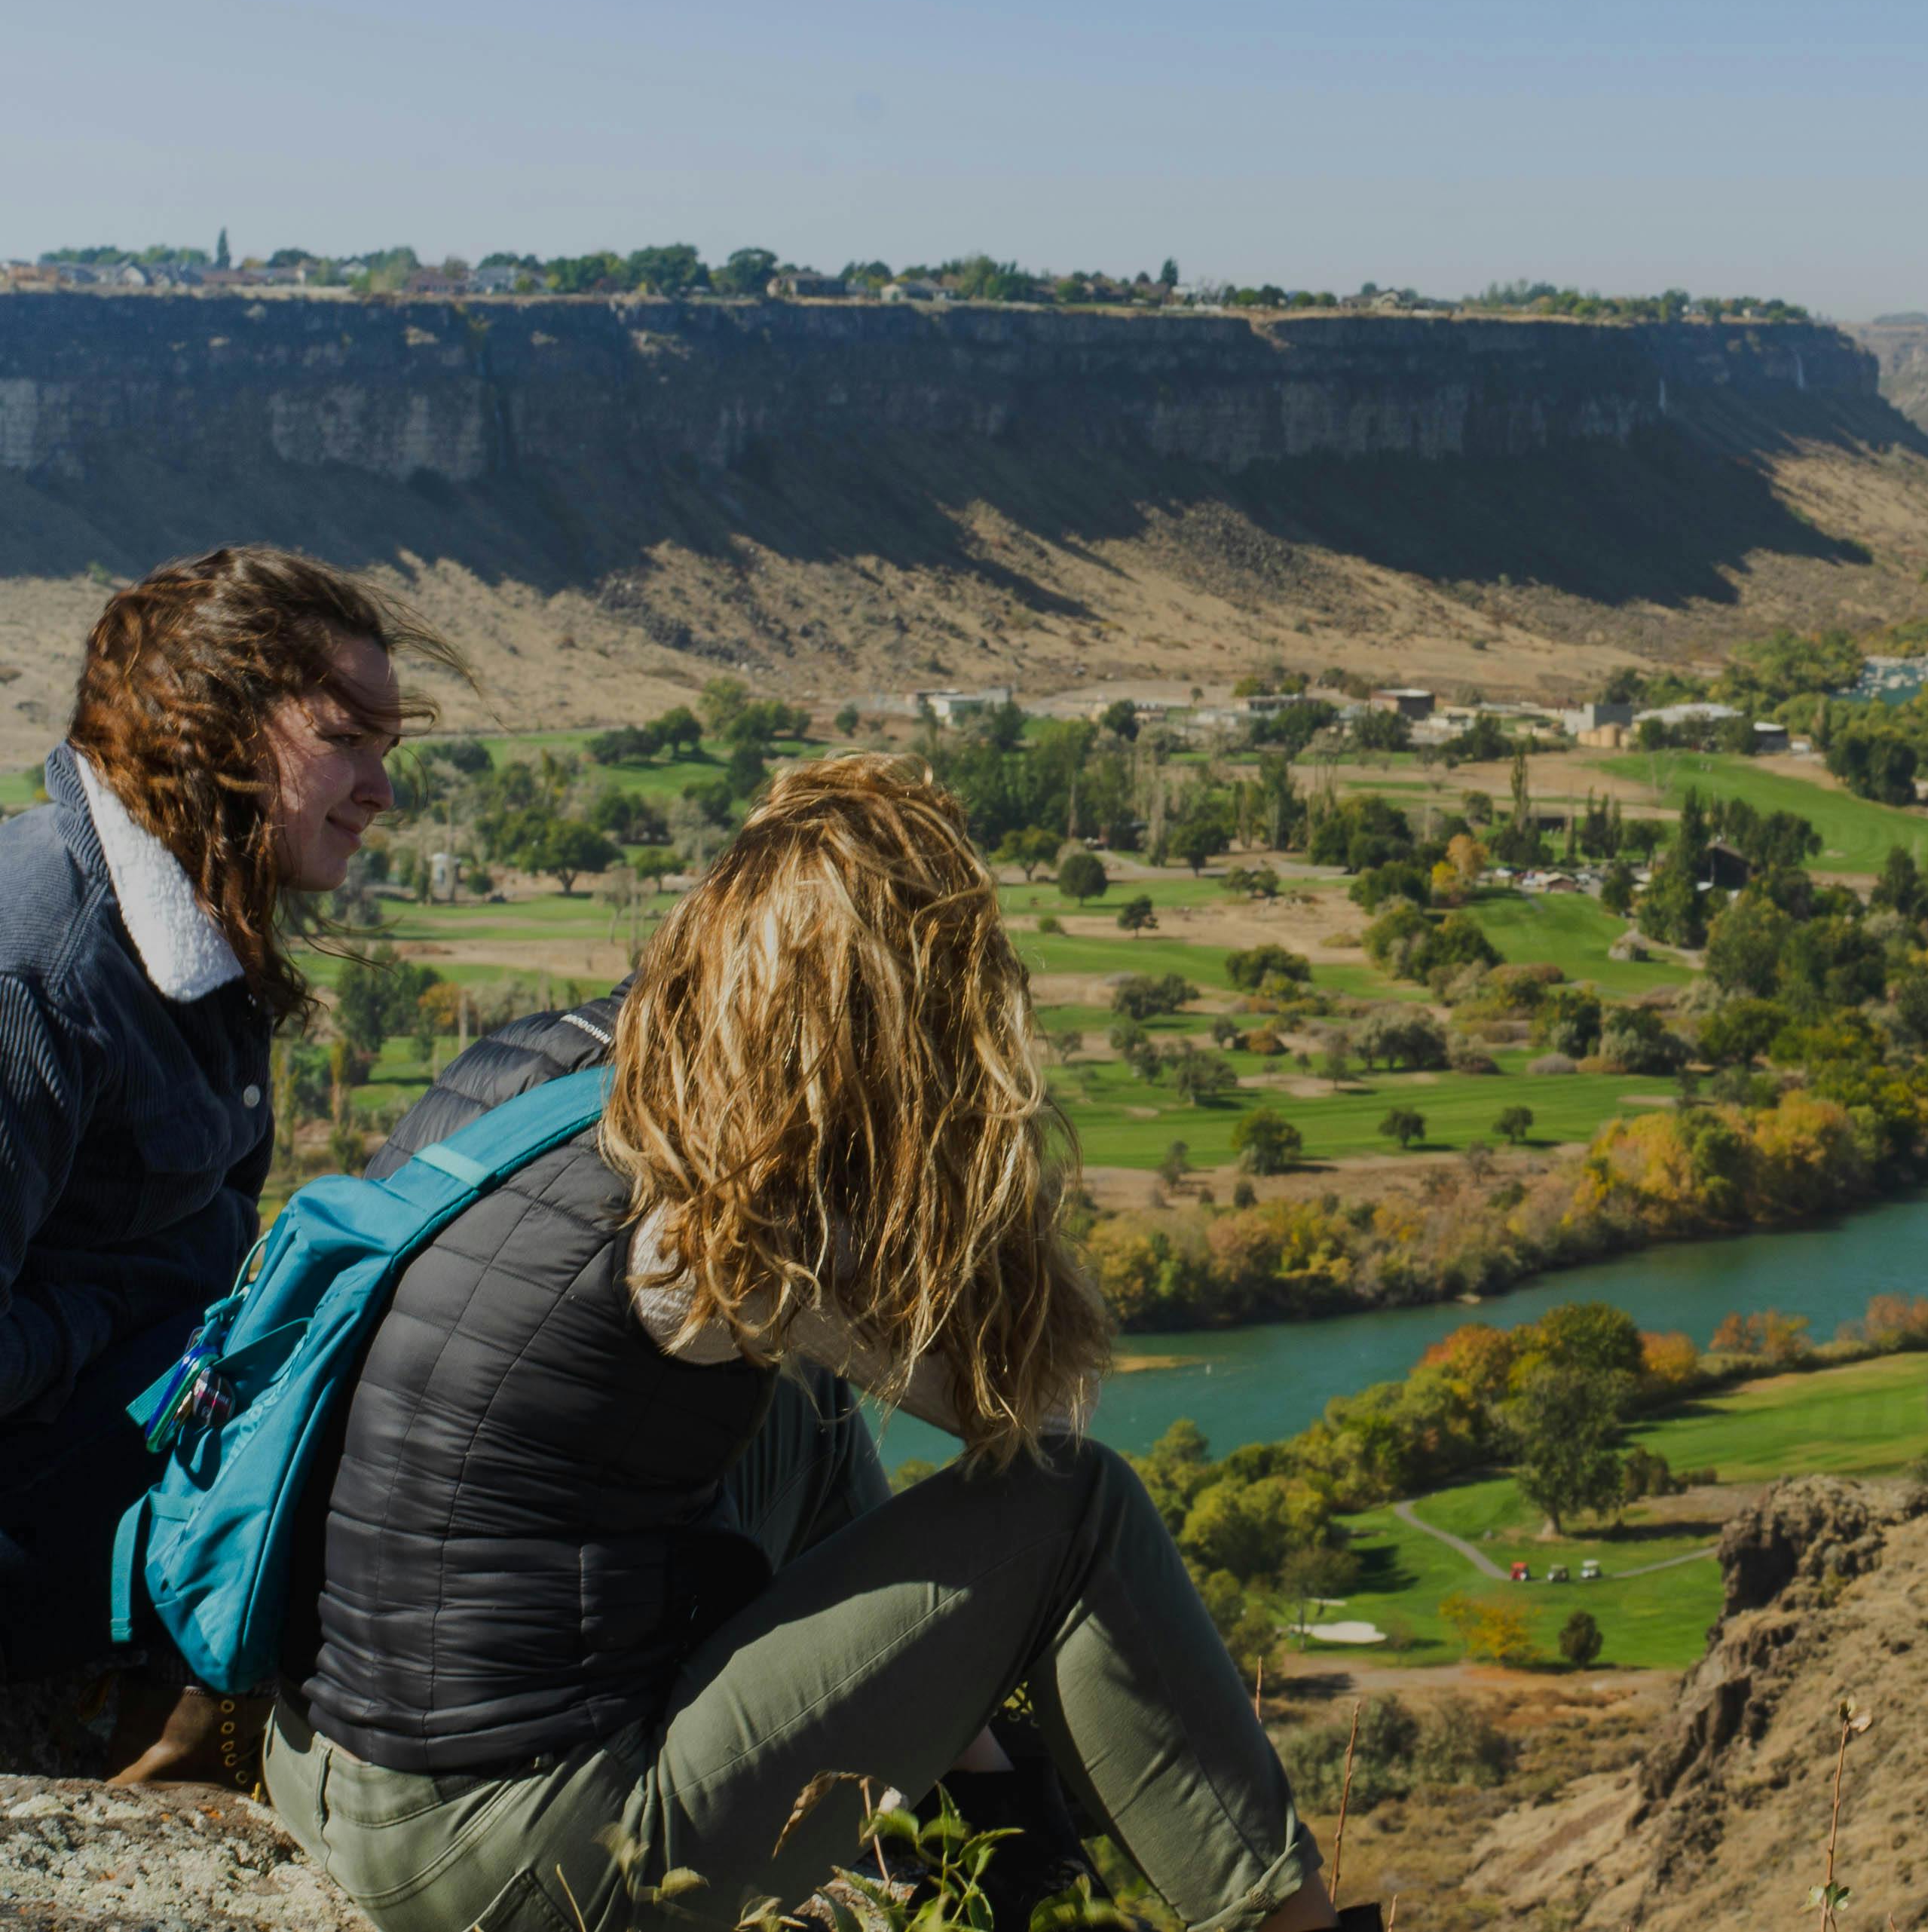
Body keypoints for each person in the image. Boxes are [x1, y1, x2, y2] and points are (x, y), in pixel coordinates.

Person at [268, 756, 1339, 1932]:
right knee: (1076, 1510)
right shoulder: (728, 1202)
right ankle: (1284, 1922)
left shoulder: (531, 1070)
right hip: (518, 1858)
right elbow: (1038, 1400)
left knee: (807, 1407)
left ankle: (972, 1804)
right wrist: (959, 1144)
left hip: (324, 1762)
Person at [0, 547, 450, 1770]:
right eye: (344, 738)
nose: (377, 790)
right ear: (214, 726)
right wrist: (120, 1320)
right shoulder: (41, 966)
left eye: (385, 749)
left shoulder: (188, 932)